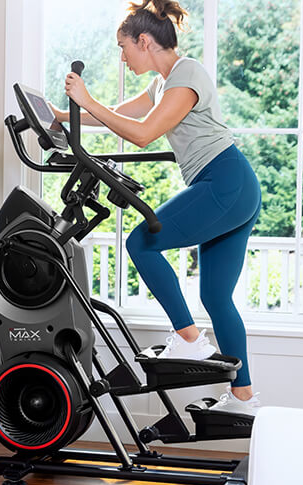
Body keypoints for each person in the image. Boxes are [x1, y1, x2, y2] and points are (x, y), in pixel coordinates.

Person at [50, 0, 262, 415]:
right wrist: (62, 114)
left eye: (123, 47)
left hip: (225, 181)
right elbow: (115, 116)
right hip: (230, 186)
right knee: (217, 297)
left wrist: (86, 99)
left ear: (144, 41)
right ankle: (244, 399)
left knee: (142, 243)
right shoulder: (161, 84)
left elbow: (143, 134)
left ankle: (188, 338)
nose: (122, 56)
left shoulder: (187, 74)